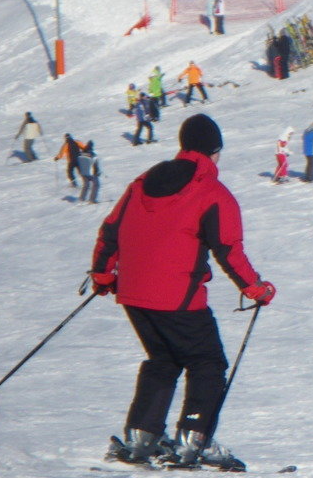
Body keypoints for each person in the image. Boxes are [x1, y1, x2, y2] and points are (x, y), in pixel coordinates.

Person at [93, 114, 274, 470]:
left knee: (163, 360)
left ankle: (141, 437)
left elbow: (110, 229)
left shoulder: (143, 182)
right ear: (214, 150)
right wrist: (255, 288)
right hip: (177, 297)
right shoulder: (211, 192)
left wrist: (102, 274)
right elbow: (228, 249)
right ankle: (194, 441)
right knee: (207, 363)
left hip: (132, 294)